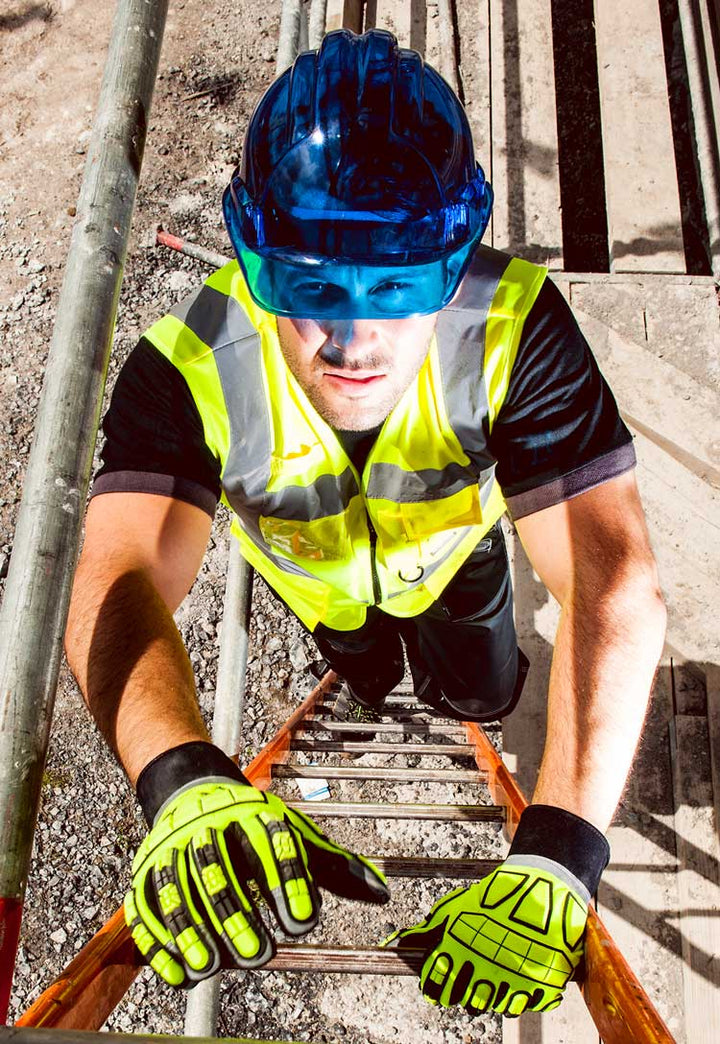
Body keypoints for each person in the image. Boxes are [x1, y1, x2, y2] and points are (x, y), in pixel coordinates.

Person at [65, 28, 666, 1018]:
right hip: (330, 594)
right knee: (373, 665)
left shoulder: (514, 323)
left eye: (397, 283)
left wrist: (563, 847)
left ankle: (454, 698)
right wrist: (178, 775)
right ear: (253, 262)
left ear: (453, 256)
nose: (352, 339)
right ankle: (397, 688)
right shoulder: (186, 362)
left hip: (454, 574)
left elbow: (617, 583)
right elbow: (113, 575)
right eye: (308, 283)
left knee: (481, 682)